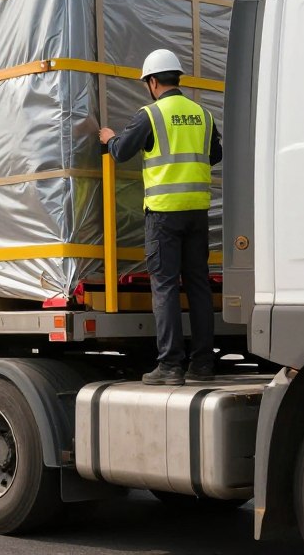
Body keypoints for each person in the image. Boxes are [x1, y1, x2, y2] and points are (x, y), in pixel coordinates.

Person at [98, 49, 222, 386]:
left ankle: (170, 366)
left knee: (165, 287)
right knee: (198, 286)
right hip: (197, 212)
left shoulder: (149, 115)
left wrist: (109, 139)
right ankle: (203, 365)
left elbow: (122, 152)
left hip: (164, 214)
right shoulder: (203, 114)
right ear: (177, 78)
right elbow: (215, 154)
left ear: (152, 82)